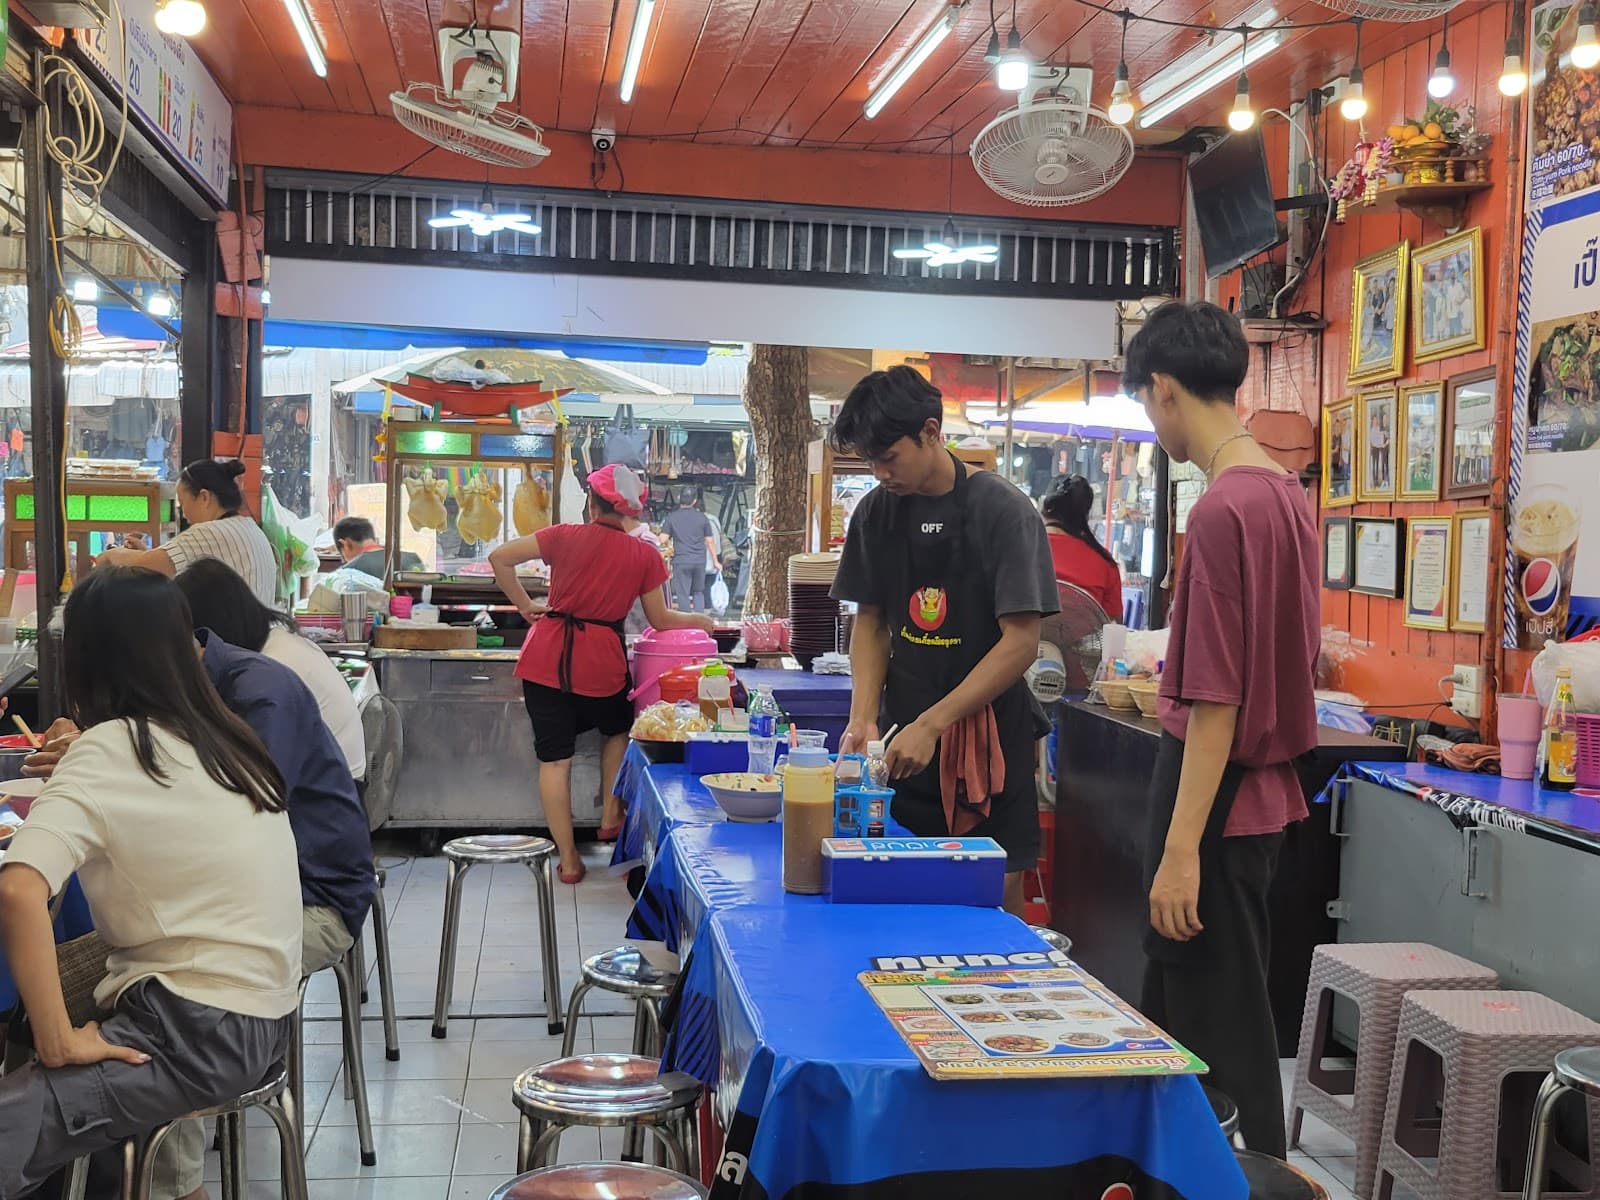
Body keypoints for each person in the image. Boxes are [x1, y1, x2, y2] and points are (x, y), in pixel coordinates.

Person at [22, 582, 376, 1200]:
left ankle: (158, 1181)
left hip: (243, 975)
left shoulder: (213, 714)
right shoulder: (219, 728)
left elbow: (17, 891)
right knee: (58, 985)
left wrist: (58, 1040)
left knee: (31, 1080)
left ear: (86, 662)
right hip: (259, 998)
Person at [1124, 301, 1318, 1157]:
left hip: (1217, 798)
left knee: (1222, 1041)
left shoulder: (1218, 512)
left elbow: (1215, 702)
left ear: (1164, 390)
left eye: (1144, 402)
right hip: (1262, 800)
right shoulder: (1286, 494)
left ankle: (1251, 1181)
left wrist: (1179, 849)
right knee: (1189, 1020)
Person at [831, 366, 1058, 917]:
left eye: (890, 457)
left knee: (990, 898)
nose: (880, 472)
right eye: (869, 461)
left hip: (988, 741)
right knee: (897, 892)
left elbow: (1022, 642)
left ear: (931, 432)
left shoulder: (1002, 511)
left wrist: (934, 723)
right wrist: (863, 718)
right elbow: (872, 622)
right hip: (900, 741)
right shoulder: (876, 512)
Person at [490, 466, 714, 882]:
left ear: (591, 502)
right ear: (629, 511)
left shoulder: (562, 536)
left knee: (555, 761)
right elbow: (662, 619)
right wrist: (701, 619)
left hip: (546, 657)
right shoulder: (644, 554)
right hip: (601, 662)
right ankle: (610, 813)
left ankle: (570, 860)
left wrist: (524, 604)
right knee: (617, 731)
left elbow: (499, 558)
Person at [175, 558, 366, 781]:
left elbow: (263, 777)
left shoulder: (270, 671)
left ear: (212, 625)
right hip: (332, 781)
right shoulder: (279, 640)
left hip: (325, 797)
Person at [98, 458, 278, 608]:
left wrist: (110, 554)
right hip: (254, 643)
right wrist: (148, 554)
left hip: (233, 643)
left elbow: (144, 565)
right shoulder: (248, 527)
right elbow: (164, 567)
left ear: (204, 497)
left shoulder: (211, 532)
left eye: (183, 503)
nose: (183, 514)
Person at [1039, 474, 1123, 619]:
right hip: (1085, 641)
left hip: (1020, 641)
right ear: (1085, 513)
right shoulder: (1104, 562)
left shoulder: (1020, 550)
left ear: (1045, 508)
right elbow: (1114, 625)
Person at [660, 494, 719, 613]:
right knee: (698, 592)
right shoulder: (702, 517)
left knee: (683, 593)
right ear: (694, 501)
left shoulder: (671, 517)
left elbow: (663, 539)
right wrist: (716, 561)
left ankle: (686, 622)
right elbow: (710, 541)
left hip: (681, 560)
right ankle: (699, 619)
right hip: (699, 561)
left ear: (679, 499)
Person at [334, 516, 423, 579]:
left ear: (346, 544)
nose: (346, 561)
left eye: (343, 556)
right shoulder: (413, 559)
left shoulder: (348, 571)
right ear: (374, 539)